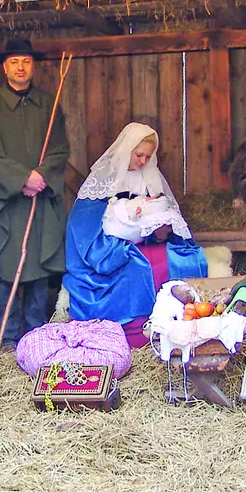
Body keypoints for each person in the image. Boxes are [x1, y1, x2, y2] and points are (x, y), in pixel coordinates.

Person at [65, 123, 209, 346]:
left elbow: (162, 209)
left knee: (179, 258)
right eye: (139, 154)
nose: (143, 161)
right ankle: (134, 330)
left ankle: (172, 325)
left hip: (144, 239)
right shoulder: (105, 176)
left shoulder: (150, 176)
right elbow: (82, 224)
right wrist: (116, 235)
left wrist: (161, 231)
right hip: (108, 245)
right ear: (126, 149)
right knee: (136, 266)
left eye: (148, 156)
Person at [0, 37, 70, 349]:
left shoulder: (48, 106)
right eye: (14, 62)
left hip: (40, 201)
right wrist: (22, 178)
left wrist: (41, 176)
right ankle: (9, 335)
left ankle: (37, 336)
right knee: (8, 266)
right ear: (5, 67)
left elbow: (60, 149)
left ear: (33, 66)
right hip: (6, 203)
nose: (21, 67)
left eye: (26, 61)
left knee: (38, 266)